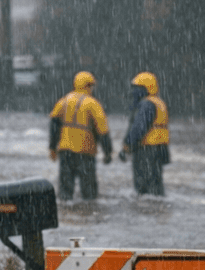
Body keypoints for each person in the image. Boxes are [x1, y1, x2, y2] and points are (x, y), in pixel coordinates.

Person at [48, 70, 112, 200]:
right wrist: (108, 152)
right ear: (88, 86)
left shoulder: (63, 101)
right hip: (85, 152)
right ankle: (89, 214)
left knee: (65, 190)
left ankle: (67, 214)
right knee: (89, 192)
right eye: (92, 86)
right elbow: (102, 131)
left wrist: (52, 147)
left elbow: (54, 126)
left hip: (66, 151)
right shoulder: (93, 104)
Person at [120, 70, 170, 195]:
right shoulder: (159, 102)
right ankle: (156, 210)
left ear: (146, 88)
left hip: (147, 150)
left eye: (137, 87)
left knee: (143, 186)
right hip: (160, 148)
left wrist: (127, 146)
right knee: (155, 184)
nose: (134, 91)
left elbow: (138, 128)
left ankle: (145, 212)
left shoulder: (147, 104)